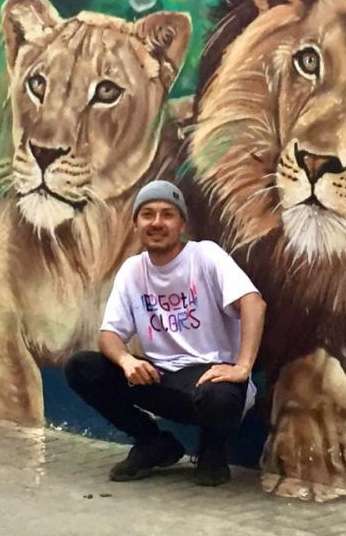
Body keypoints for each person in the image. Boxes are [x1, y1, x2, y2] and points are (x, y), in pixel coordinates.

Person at [64, 180, 266, 486]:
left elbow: (253, 303)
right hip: (161, 378)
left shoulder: (205, 256)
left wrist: (242, 367)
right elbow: (108, 334)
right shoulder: (133, 270)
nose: (157, 222)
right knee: (81, 367)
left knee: (219, 396)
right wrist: (126, 361)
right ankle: (153, 443)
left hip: (212, 380)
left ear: (182, 223)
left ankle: (212, 453)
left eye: (167, 214)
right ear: (136, 224)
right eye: (147, 214)